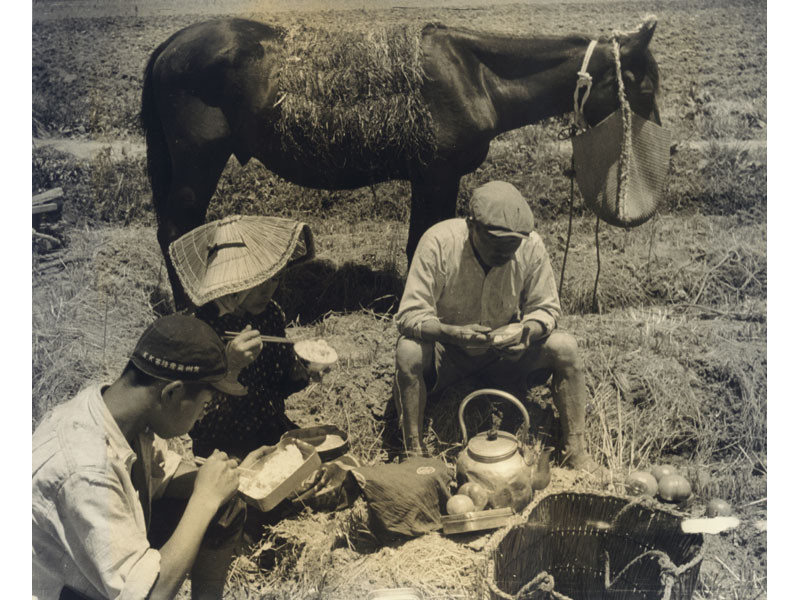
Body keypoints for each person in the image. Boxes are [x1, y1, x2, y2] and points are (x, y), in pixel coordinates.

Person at [32, 314, 273, 600]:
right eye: (204, 406)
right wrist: (204, 499)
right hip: (63, 592)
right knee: (209, 506)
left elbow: (161, 475)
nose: (200, 418)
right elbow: (150, 597)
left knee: (226, 506)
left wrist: (234, 477)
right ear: (173, 393)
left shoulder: (119, 411)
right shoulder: (84, 468)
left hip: (89, 575)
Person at [393, 180, 601, 474]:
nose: (504, 255)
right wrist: (452, 333)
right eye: (496, 245)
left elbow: (546, 308)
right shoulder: (438, 243)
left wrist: (526, 332)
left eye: (511, 247)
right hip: (448, 354)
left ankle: (575, 453)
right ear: (471, 226)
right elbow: (409, 315)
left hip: (505, 355)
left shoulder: (530, 245)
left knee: (565, 347)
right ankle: (412, 453)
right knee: (408, 352)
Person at [168, 215, 317, 460]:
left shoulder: (271, 315)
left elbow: (277, 387)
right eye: (257, 282)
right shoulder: (200, 327)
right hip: (223, 452)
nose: (267, 291)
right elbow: (198, 425)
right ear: (233, 280)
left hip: (272, 436)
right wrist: (229, 369)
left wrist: (305, 371)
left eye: (275, 279)